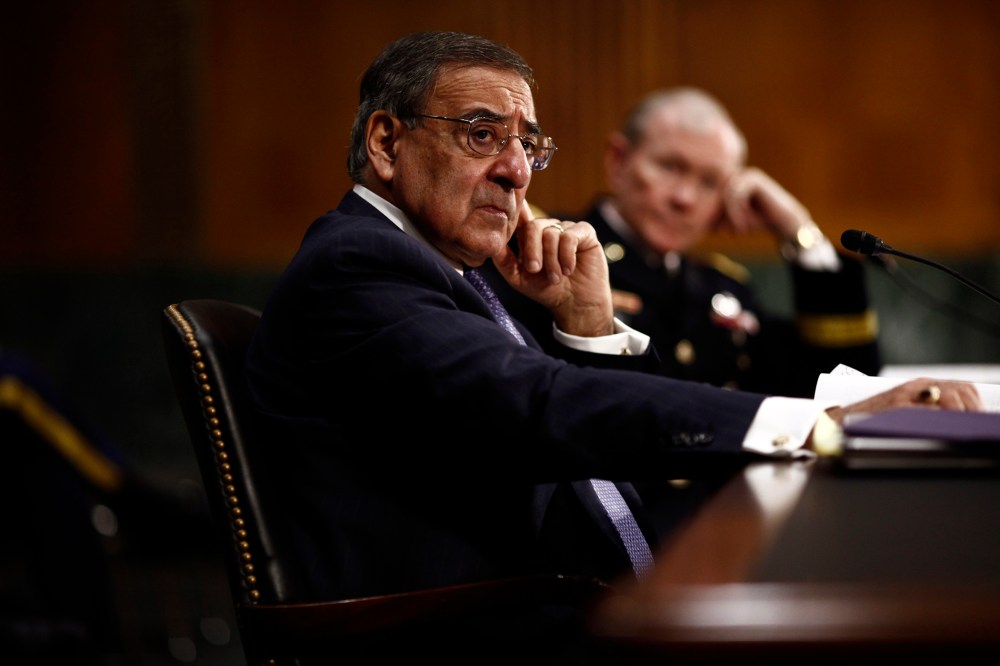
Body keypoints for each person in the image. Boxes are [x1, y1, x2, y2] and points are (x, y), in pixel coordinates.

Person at [243, 31, 980, 656]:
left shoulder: (463, 269)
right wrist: (815, 426)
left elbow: (572, 432)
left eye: (527, 144)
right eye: (481, 134)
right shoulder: (358, 266)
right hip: (471, 628)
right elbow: (537, 403)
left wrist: (590, 321)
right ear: (385, 142)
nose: (515, 169)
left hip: (550, 593)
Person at [486, 86, 881, 399]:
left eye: (710, 183)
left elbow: (839, 387)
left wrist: (799, 232)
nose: (685, 199)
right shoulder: (546, 250)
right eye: (670, 167)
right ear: (618, 161)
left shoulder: (721, 287)